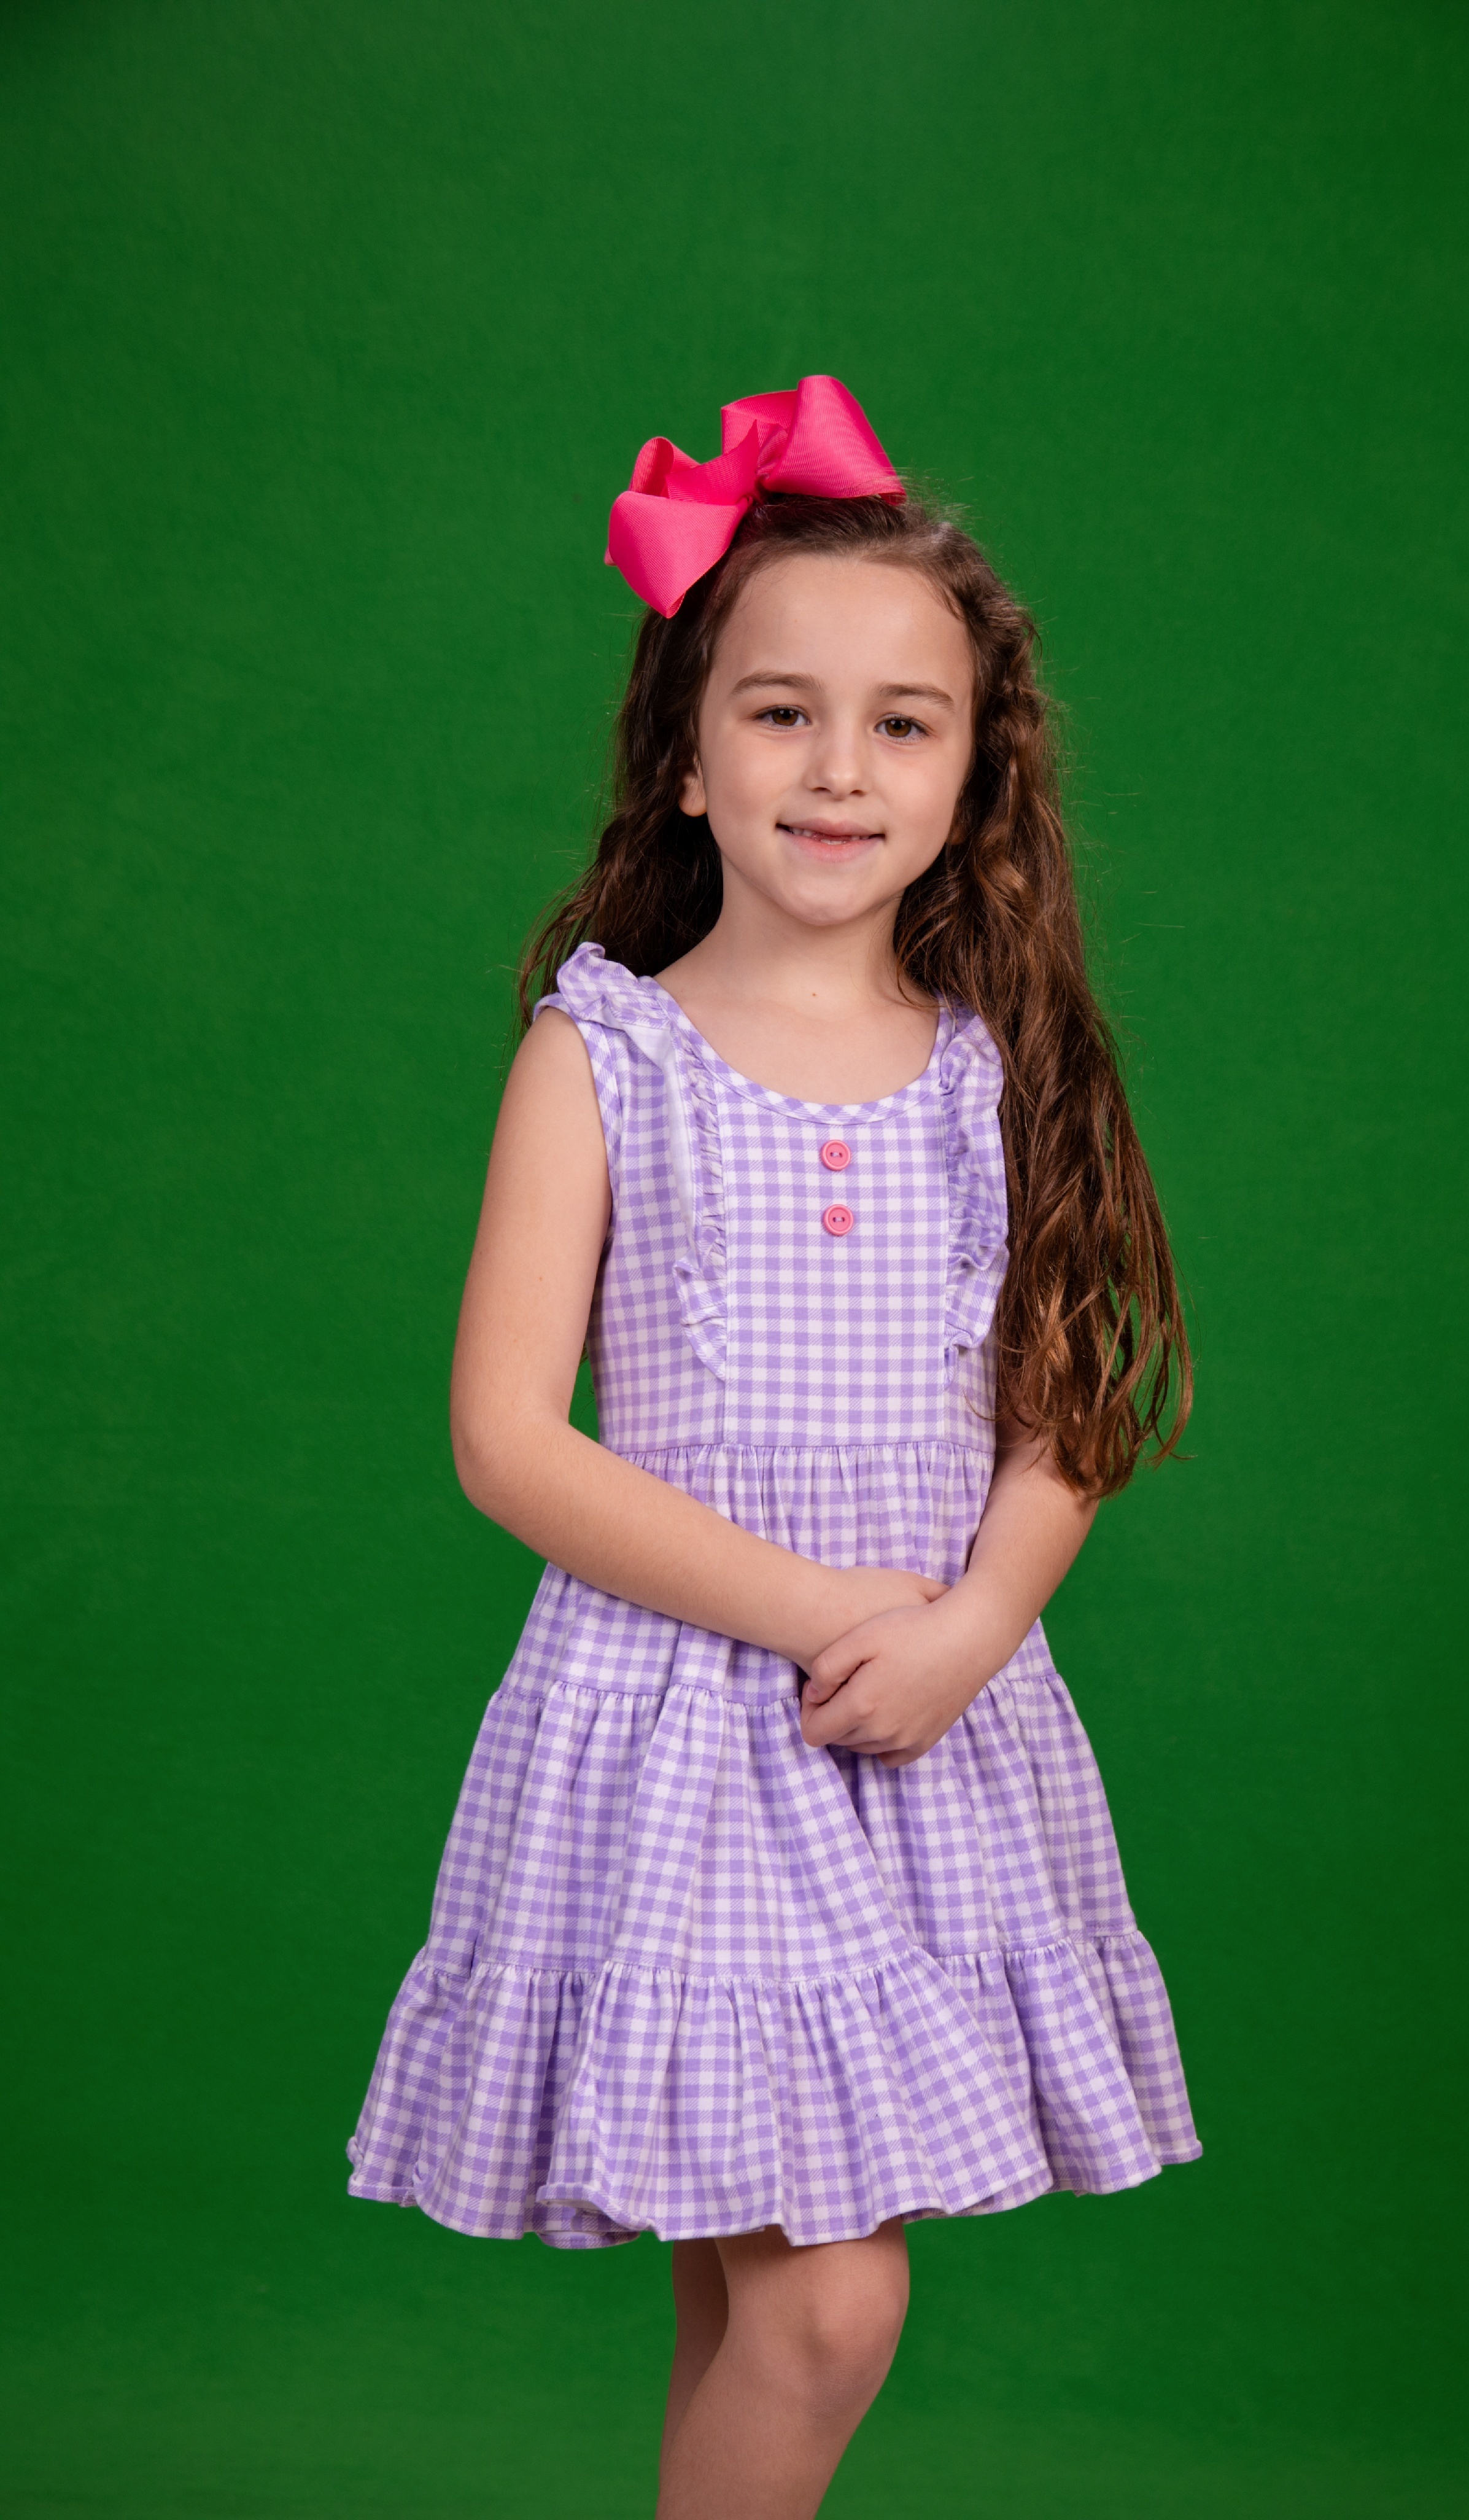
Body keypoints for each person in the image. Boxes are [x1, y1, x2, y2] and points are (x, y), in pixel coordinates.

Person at [349, 376, 1201, 2519]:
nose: (839, 769)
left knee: (762, 2297)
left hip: (919, 1724)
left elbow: (1064, 1412)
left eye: (902, 724)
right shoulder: (607, 1053)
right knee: (821, 2307)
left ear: (975, 773)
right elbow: (506, 1440)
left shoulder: (997, 1066)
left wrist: (973, 1629)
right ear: (687, 751)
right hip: (688, 1729)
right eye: (782, 713)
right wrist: (834, 1612)